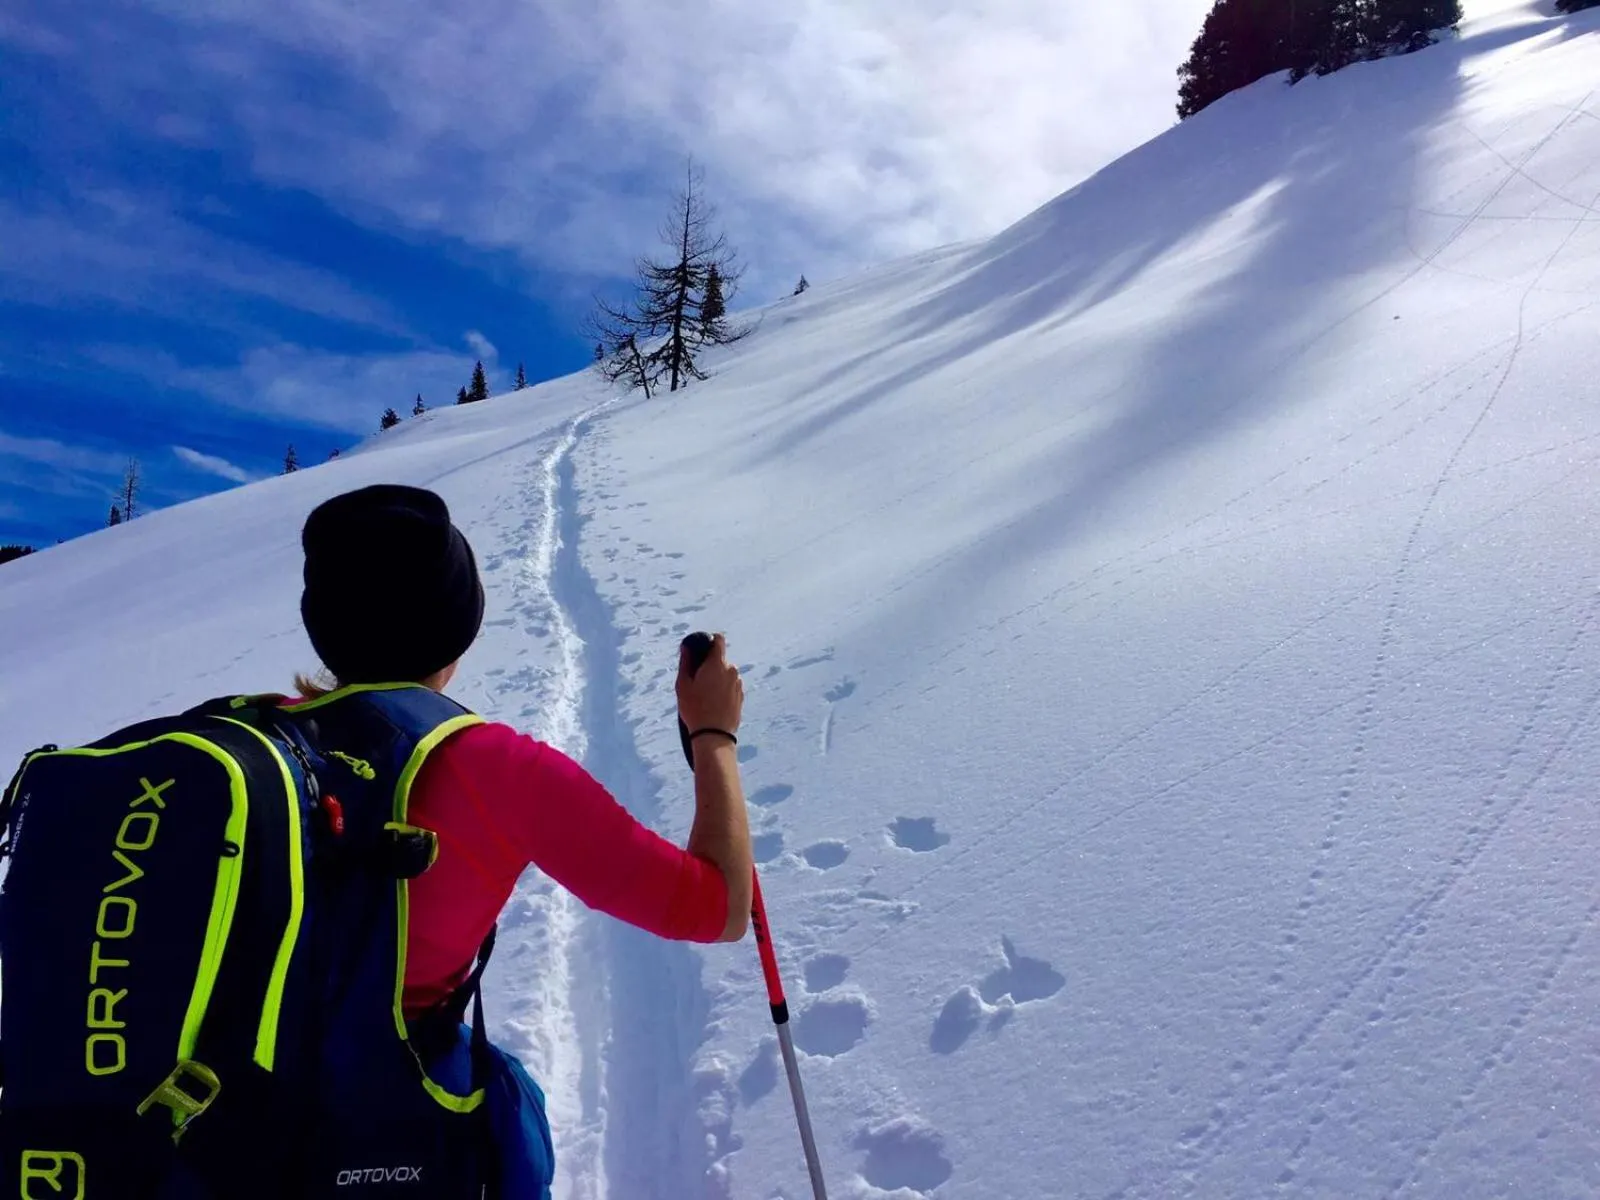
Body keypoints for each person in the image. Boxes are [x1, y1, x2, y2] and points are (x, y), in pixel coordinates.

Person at [294, 482, 754, 1182]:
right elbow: (717, 909)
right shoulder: (494, 769)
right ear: (458, 627)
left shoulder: (244, 748)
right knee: (510, 1113)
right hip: (381, 1138)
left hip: (203, 1133)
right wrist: (714, 733)